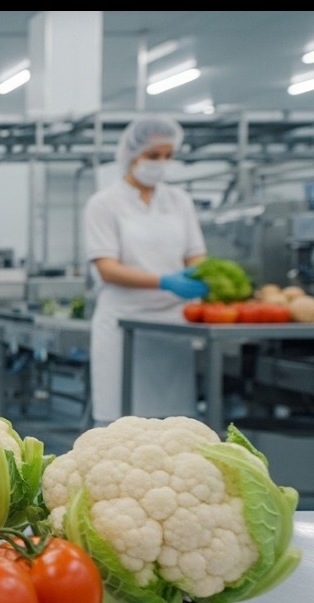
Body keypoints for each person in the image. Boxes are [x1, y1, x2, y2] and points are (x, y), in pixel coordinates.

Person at [84, 114, 208, 427]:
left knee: (175, 426)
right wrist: (165, 281)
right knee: (117, 427)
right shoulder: (104, 204)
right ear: (130, 155)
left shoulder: (179, 201)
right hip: (123, 323)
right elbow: (107, 268)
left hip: (172, 325)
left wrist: (204, 277)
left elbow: (195, 255)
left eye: (168, 156)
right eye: (153, 156)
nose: (161, 163)